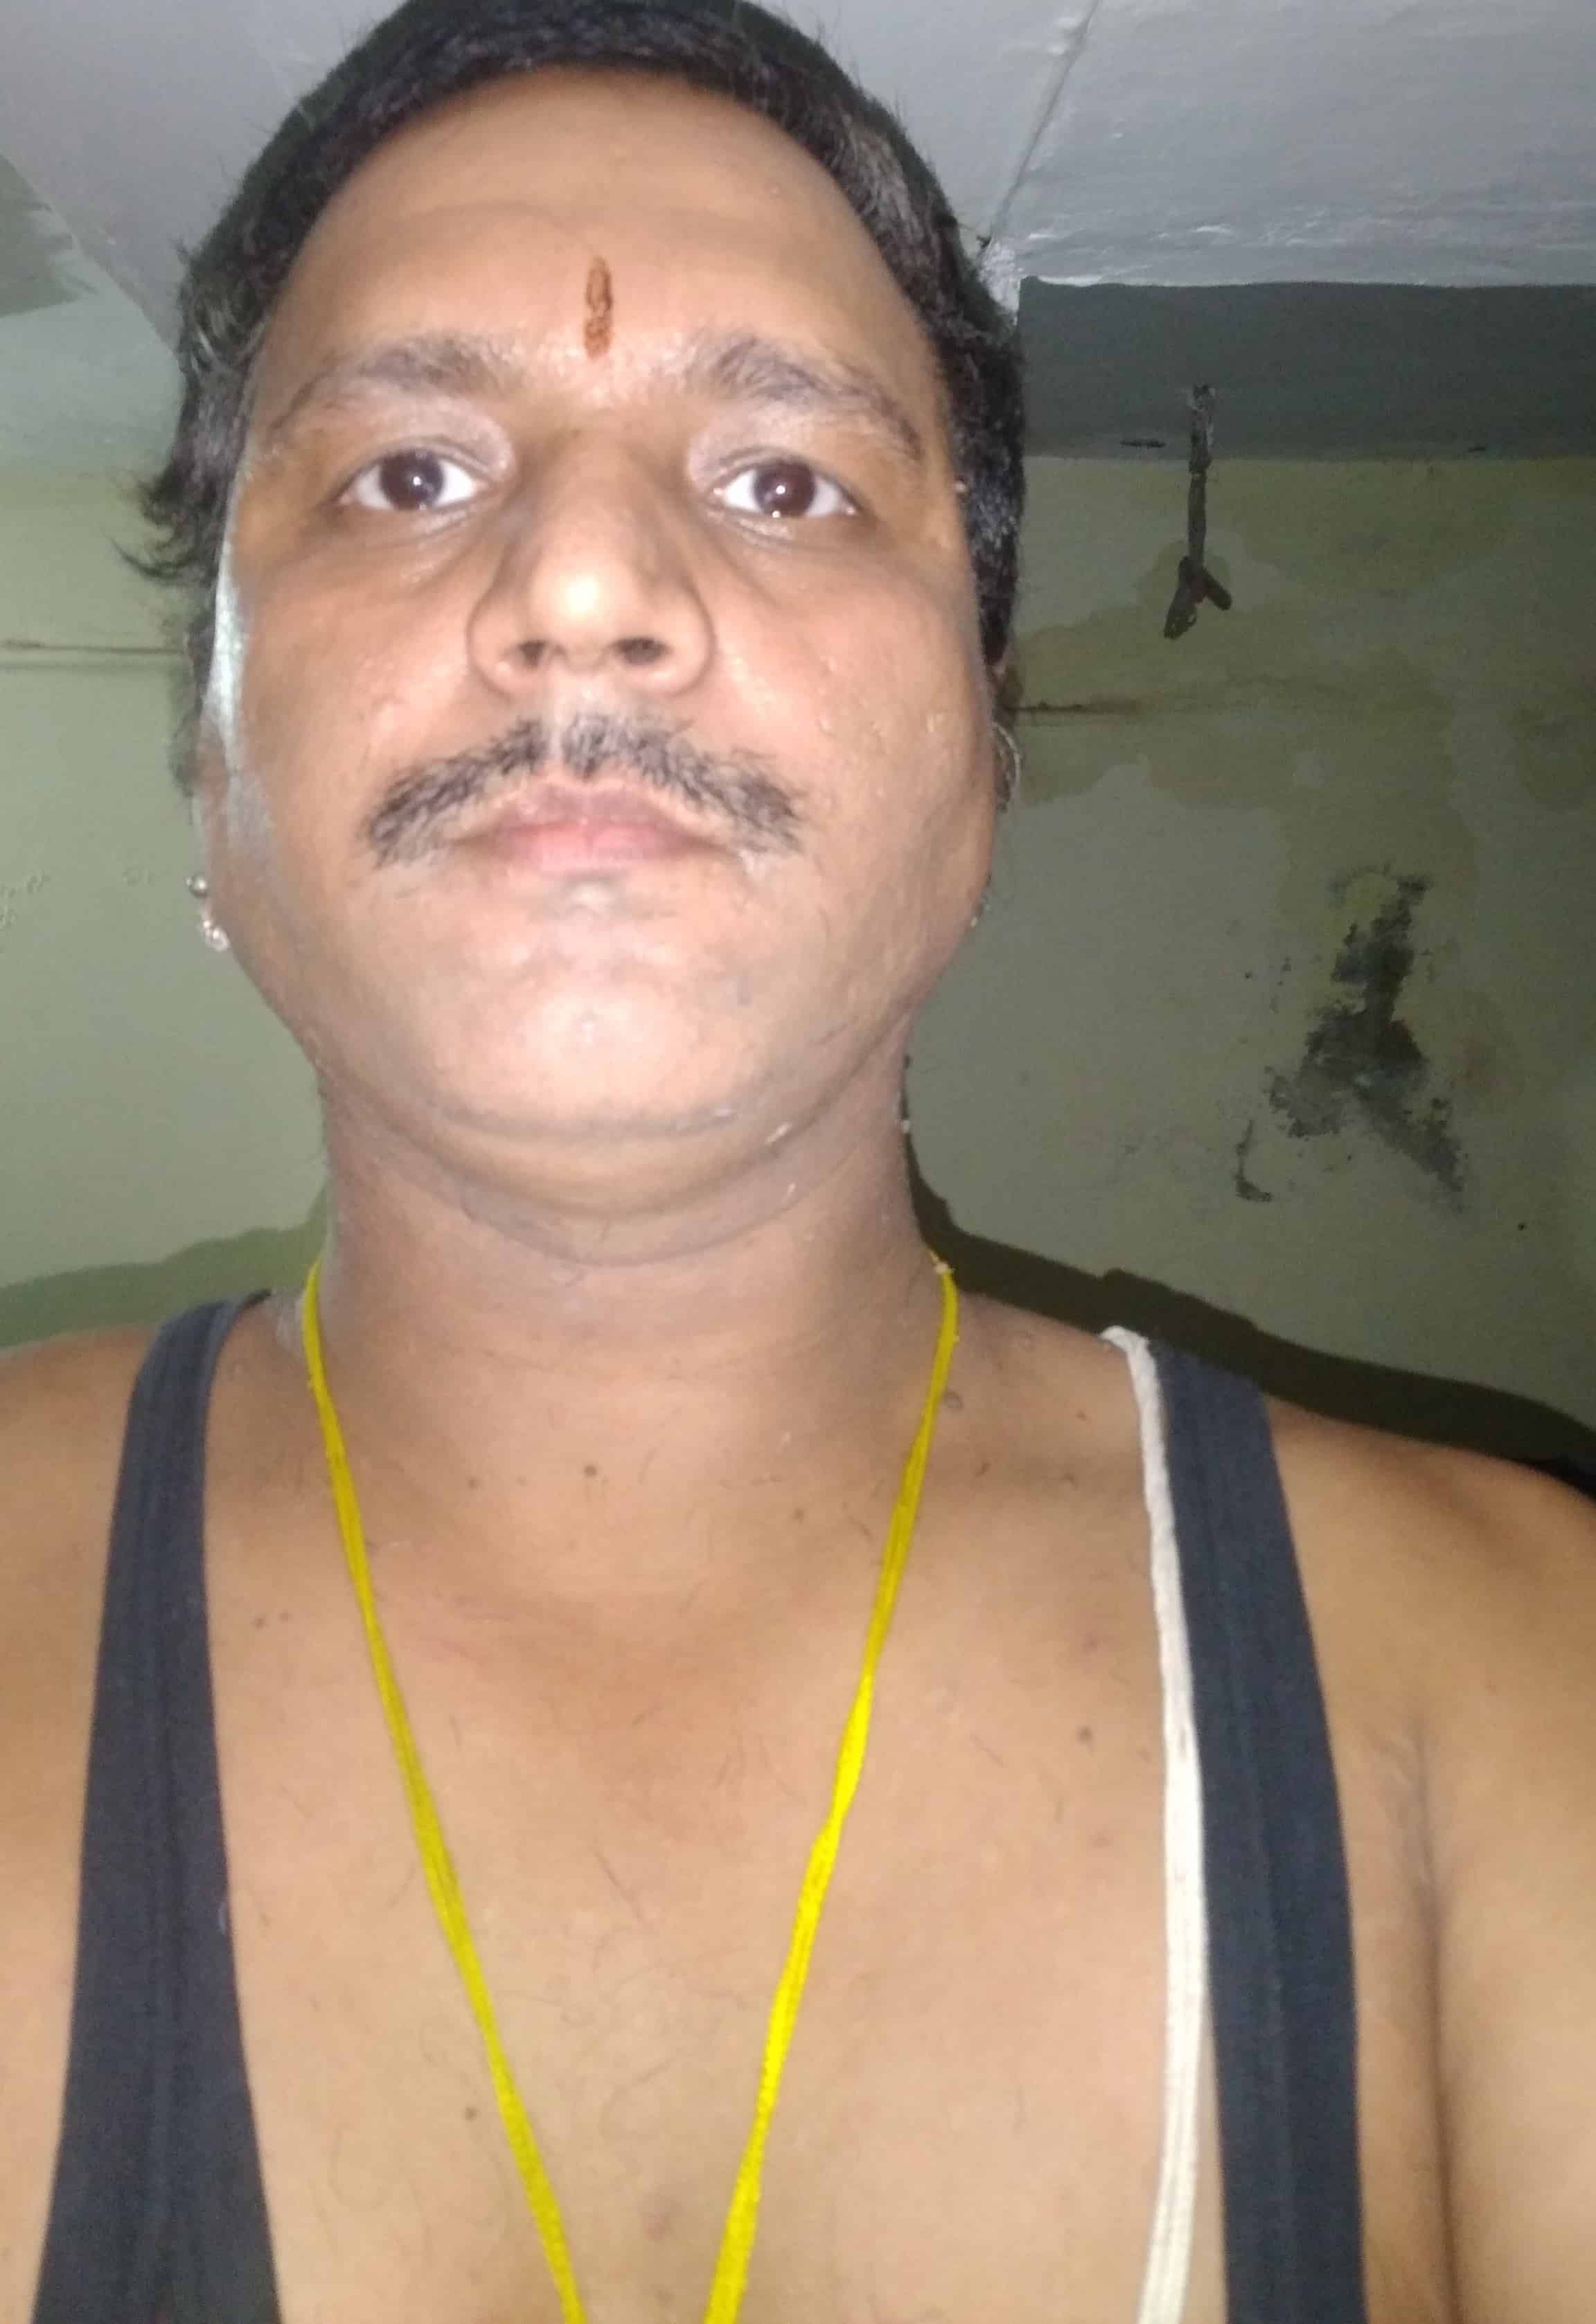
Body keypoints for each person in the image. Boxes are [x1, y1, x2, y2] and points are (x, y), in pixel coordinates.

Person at [3, 1, 1595, 2317]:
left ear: (983, 764)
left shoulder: (1519, 1683)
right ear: (212, 775)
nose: (581, 587)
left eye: (785, 483)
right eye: (409, 473)